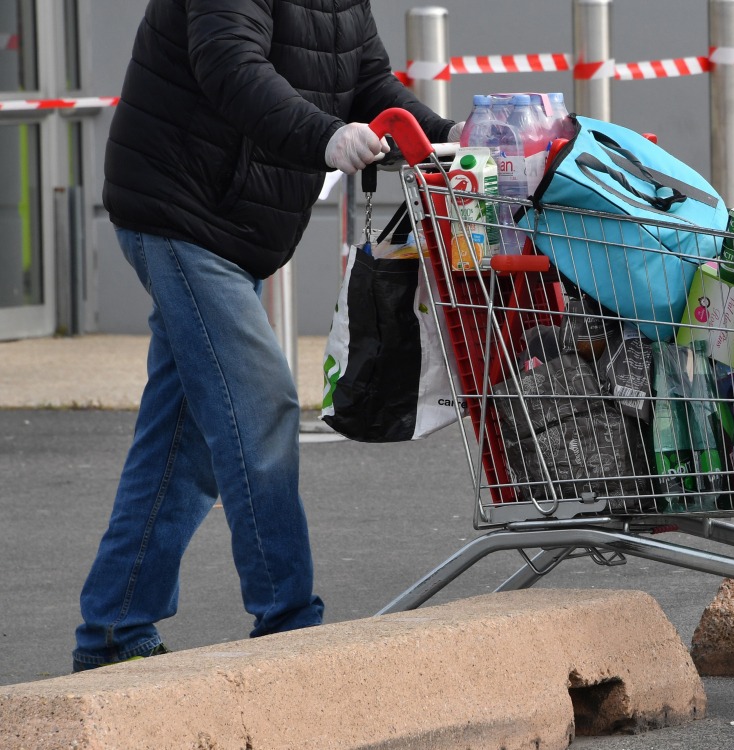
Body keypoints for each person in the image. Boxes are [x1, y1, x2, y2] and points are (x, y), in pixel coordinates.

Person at [72, 0, 457, 672]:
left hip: (234, 230)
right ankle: (288, 628)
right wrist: (326, 137)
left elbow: (368, 80)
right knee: (260, 404)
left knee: (182, 441)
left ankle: (113, 628)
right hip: (181, 214)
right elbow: (230, 63)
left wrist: (449, 134)